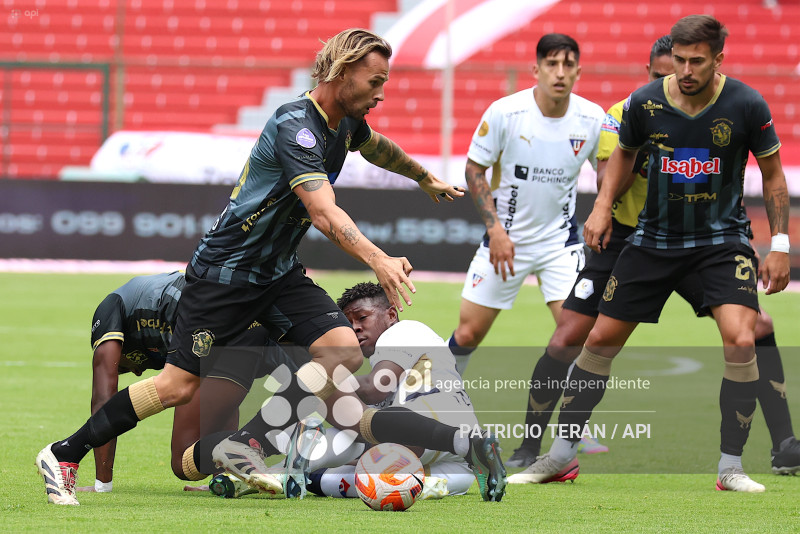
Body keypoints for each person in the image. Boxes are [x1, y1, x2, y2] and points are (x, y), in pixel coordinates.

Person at [36, 28, 507, 506]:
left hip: (277, 273)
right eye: (374, 82)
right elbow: (323, 213)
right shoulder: (296, 125)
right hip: (227, 274)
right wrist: (379, 259)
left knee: (342, 350)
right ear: (342, 74)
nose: (380, 95)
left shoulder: (345, 122)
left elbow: (377, 147)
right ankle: (64, 453)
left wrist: (423, 176)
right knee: (177, 386)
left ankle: (251, 443)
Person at [508, 15, 790, 492]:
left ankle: (730, 467)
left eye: (695, 61)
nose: (684, 70)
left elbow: (774, 174)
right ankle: (558, 456)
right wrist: (601, 207)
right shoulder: (645, 102)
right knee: (597, 341)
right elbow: (622, 153)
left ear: (718, 59)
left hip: (721, 243)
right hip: (651, 241)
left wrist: (779, 244)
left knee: (742, 339)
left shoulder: (747, 103)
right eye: (677, 60)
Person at [446, 33, 604, 375]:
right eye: (552, 64)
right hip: (505, 241)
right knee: (469, 333)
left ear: (579, 72)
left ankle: (572, 428)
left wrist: (604, 208)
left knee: (576, 337)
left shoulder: (592, 118)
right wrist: (495, 230)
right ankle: (429, 396)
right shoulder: (506, 112)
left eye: (568, 65)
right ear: (536, 69)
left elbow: (606, 171)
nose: (560, 73)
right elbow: (475, 169)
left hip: (561, 245)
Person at [77, 271, 298, 492]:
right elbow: (221, 404)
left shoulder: (110, 309)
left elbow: (104, 399)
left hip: (224, 322)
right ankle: (227, 474)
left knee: (183, 460)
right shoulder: (161, 330)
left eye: (125, 365)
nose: (136, 372)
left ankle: (285, 440)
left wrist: (102, 484)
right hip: (245, 322)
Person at [303, 282, 481, 500]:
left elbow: (375, 388)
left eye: (362, 318)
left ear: (391, 315)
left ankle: (283, 472)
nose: (355, 328)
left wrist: (324, 384)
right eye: (348, 324)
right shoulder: (393, 360)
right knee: (341, 478)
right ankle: (422, 484)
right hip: (459, 463)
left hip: (431, 428)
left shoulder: (402, 331)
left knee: (347, 434)